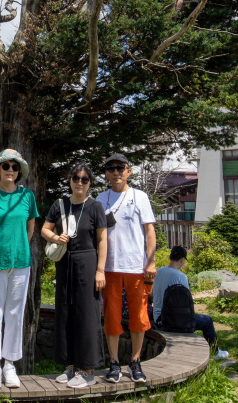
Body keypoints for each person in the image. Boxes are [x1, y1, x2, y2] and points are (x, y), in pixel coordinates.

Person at [40, 163, 113, 388]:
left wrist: (100, 270)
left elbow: (102, 240)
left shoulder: (95, 207)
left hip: (88, 263)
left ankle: (88, 370)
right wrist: (55, 238)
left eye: (84, 179)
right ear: (70, 180)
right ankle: (71, 365)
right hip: (65, 264)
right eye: (75, 178)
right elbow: (44, 229)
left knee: (87, 315)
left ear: (90, 182)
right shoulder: (60, 204)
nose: (79, 182)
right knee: (66, 313)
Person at [0, 149, 39, 389]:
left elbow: (30, 229)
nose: (10, 169)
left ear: (19, 171)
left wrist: (17, 248)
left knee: (15, 313)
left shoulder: (27, 197)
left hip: (21, 263)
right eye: (5, 166)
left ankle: (10, 364)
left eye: (14, 166)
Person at [97, 153, 156, 384]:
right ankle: (114, 362)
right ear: (106, 173)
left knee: (139, 316)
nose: (116, 172)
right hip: (109, 267)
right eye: (110, 168)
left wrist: (150, 262)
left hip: (135, 267)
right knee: (111, 316)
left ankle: (135, 360)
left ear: (129, 171)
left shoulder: (139, 196)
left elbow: (149, 230)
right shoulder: (101, 199)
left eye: (120, 167)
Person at [152, 246, 229, 359]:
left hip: (157, 317)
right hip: (171, 320)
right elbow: (185, 303)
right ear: (182, 260)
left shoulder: (158, 272)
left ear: (170, 257)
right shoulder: (180, 277)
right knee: (207, 321)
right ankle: (215, 351)